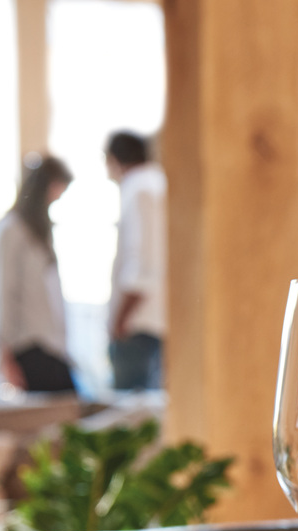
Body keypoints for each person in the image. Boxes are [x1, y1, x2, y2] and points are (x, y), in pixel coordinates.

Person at [0, 154, 77, 393]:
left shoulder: (41, 231)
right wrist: (4, 353)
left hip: (52, 346)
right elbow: (6, 291)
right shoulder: (12, 228)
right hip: (29, 345)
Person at [105, 131, 167, 391]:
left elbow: (143, 264)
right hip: (160, 319)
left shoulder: (139, 190)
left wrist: (120, 320)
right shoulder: (159, 183)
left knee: (132, 405)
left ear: (113, 159)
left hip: (140, 322)